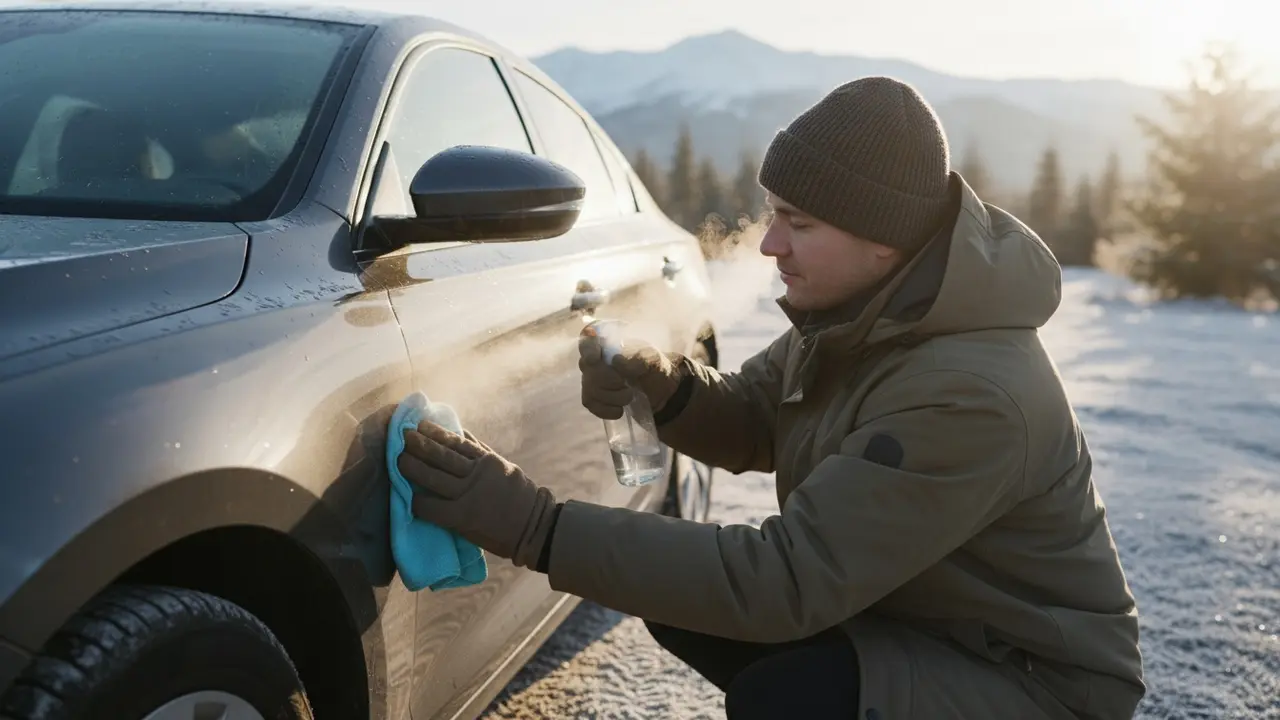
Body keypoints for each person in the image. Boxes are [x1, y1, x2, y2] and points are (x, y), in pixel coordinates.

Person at [396, 76, 1146, 719]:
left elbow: (786, 581)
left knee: (788, 695)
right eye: (772, 214)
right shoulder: (863, 314)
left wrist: (536, 527)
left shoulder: (969, 395)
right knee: (681, 603)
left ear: (883, 238)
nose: (769, 244)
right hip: (922, 620)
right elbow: (755, 417)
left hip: (1032, 680)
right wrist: (666, 382)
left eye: (799, 224)